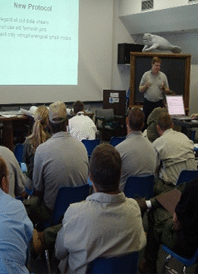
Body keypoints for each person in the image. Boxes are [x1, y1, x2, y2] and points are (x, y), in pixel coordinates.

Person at [138, 132, 198, 273]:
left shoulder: (194, 188)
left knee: (155, 214)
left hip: (189, 246)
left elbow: (177, 226)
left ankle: (149, 264)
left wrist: (175, 215)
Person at [54, 144, 146, 273]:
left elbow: (59, 252)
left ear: (90, 177)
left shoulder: (75, 213)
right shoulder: (134, 210)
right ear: (120, 175)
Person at [25, 101, 88, 224]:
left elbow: (38, 190)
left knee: (25, 206)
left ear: (48, 124)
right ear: (67, 123)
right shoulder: (82, 148)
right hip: (78, 211)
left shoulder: (41, 151)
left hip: (51, 212)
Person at [153, 112, 197, 194]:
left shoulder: (157, 143)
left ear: (158, 127)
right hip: (192, 187)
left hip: (174, 189)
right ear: (172, 125)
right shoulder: (184, 137)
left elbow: (153, 170)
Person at [115, 107, 156, 191]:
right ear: (143, 125)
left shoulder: (119, 149)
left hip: (124, 199)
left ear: (127, 121)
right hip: (146, 196)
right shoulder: (152, 147)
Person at [139, 56, 169, 128]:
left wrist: (164, 88)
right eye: (156, 65)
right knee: (146, 123)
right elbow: (140, 89)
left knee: (158, 123)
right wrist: (145, 86)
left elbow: (168, 91)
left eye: (159, 66)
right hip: (148, 103)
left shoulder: (163, 76)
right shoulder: (146, 75)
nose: (158, 67)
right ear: (152, 65)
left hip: (158, 104)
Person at [23, 105, 51, 181]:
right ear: (48, 122)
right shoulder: (51, 141)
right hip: (48, 180)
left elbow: (25, 162)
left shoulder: (28, 141)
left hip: (32, 180)